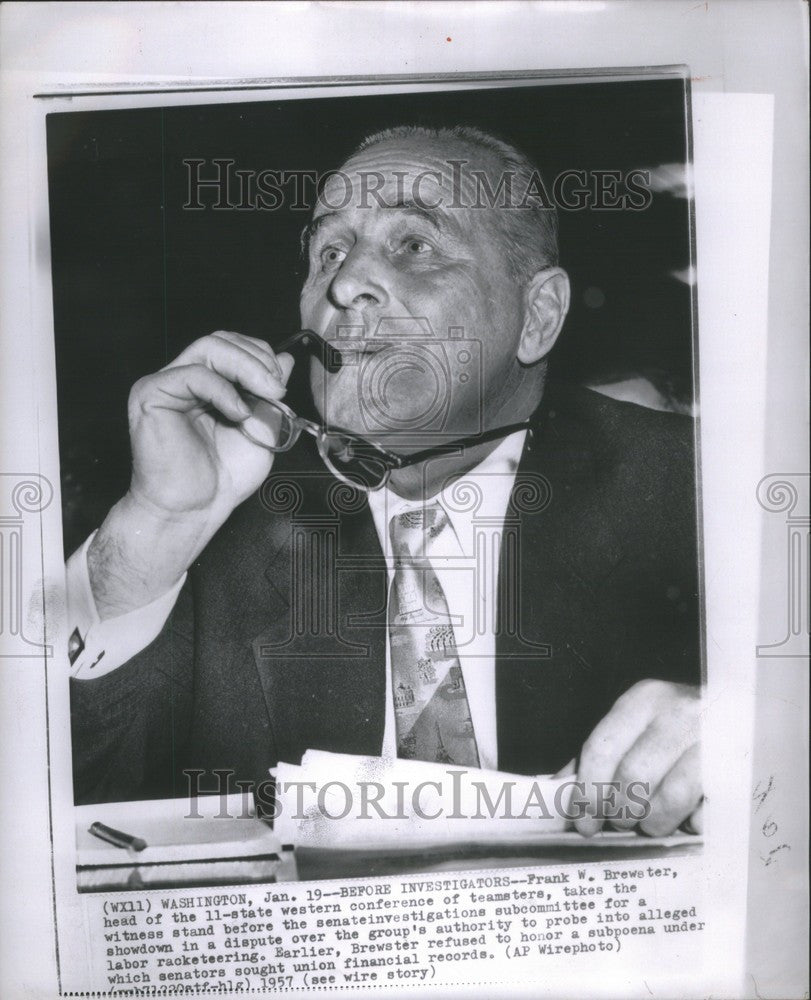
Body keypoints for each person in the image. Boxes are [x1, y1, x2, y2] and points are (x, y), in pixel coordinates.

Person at [67, 125, 702, 837]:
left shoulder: (700, 494)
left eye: (413, 245)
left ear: (538, 316)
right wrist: (158, 523)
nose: (342, 285)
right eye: (328, 251)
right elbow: (68, 813)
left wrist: (756, 725)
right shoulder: (223, 528)